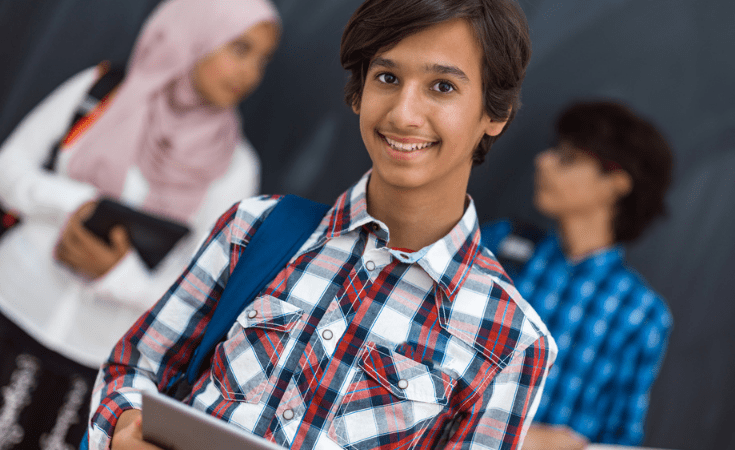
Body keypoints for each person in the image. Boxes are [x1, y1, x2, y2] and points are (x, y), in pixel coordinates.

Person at [87, 0, 558, 449]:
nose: (403, 113)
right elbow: (133, 367)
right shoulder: (254, 228)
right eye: (387, 77)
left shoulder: (512, 341)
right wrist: (128, 426)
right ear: (358, 92)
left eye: (442, 87)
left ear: (495, 113)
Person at [0, 0, 281, 447]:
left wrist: (116, 275)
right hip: (13, 304)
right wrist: (80, 204)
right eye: (240, 48)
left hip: (96, 361)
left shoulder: (234, 167)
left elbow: (205, 292)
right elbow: (8, 171)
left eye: (262, 59)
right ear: (192, 34)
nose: (249, 72)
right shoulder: (100, 91)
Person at [482, 101, 674, 449]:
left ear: (615, 184)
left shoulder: (641, 314)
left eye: (567, 158)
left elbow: (620, 438)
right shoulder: (501, 245)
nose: (543, 161)